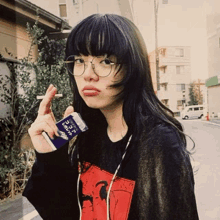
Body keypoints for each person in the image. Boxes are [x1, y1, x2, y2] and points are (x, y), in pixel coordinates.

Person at [23, 14, 199, 220]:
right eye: (80, 60)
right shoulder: (88, 133)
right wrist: (49, 154)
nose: (88, 73)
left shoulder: (158, 142)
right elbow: (64, 214)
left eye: (105, 61)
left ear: (132, 68)